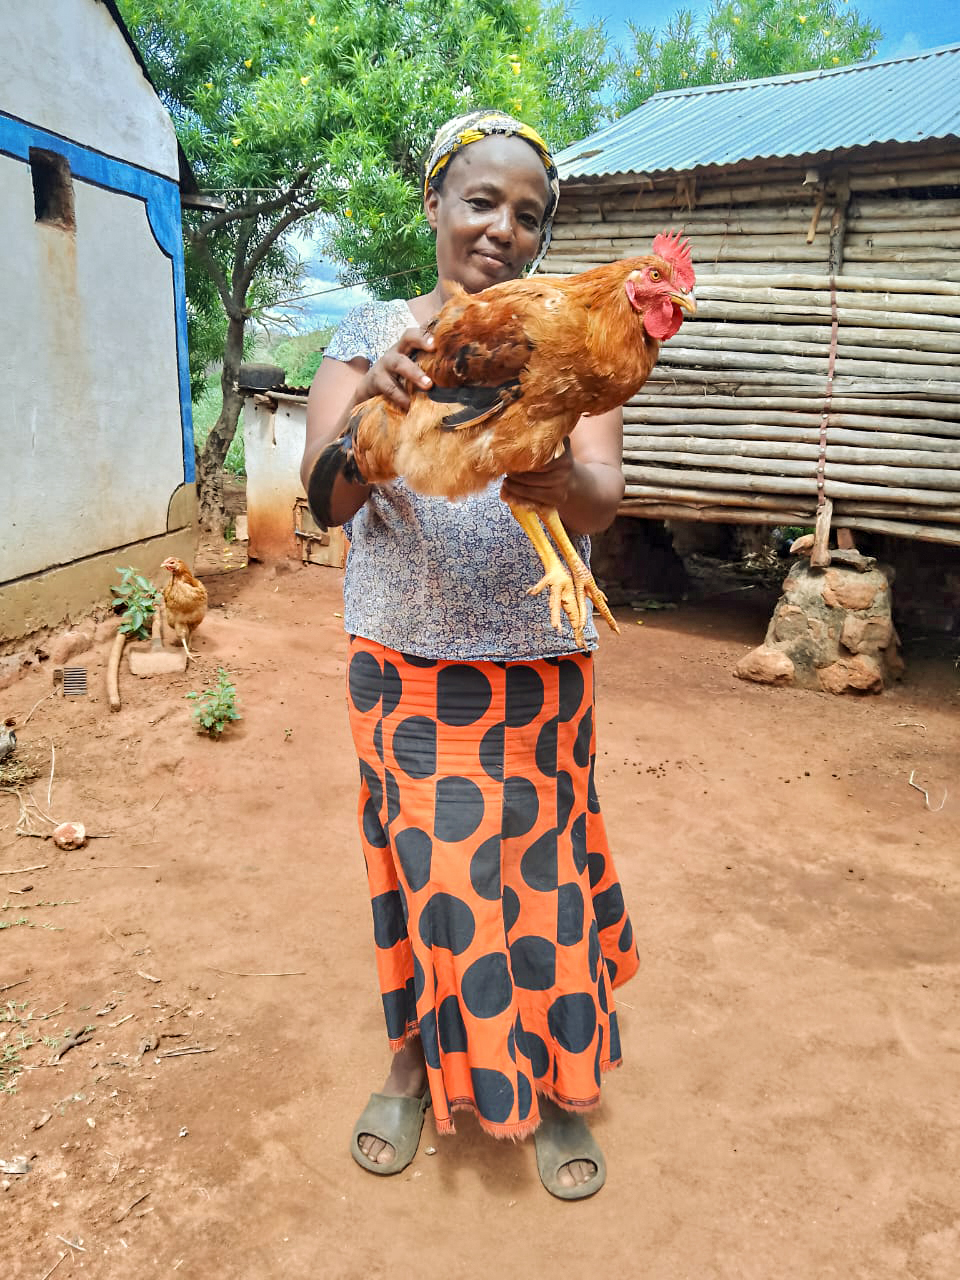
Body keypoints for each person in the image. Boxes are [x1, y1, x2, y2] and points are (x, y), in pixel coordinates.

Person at [301, 109, 639, 1201]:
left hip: (539, 661)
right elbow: (322, 503)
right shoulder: (369, 333)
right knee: (426, 874)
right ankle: (413, 1059)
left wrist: (563, 487)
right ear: (437, 203)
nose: (504, 229)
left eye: (528, 215)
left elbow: (602, 497)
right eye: (483, 201)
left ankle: (544, 1079)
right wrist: (373, 402)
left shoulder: (567, 337)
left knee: (538, 882)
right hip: (404, 659)